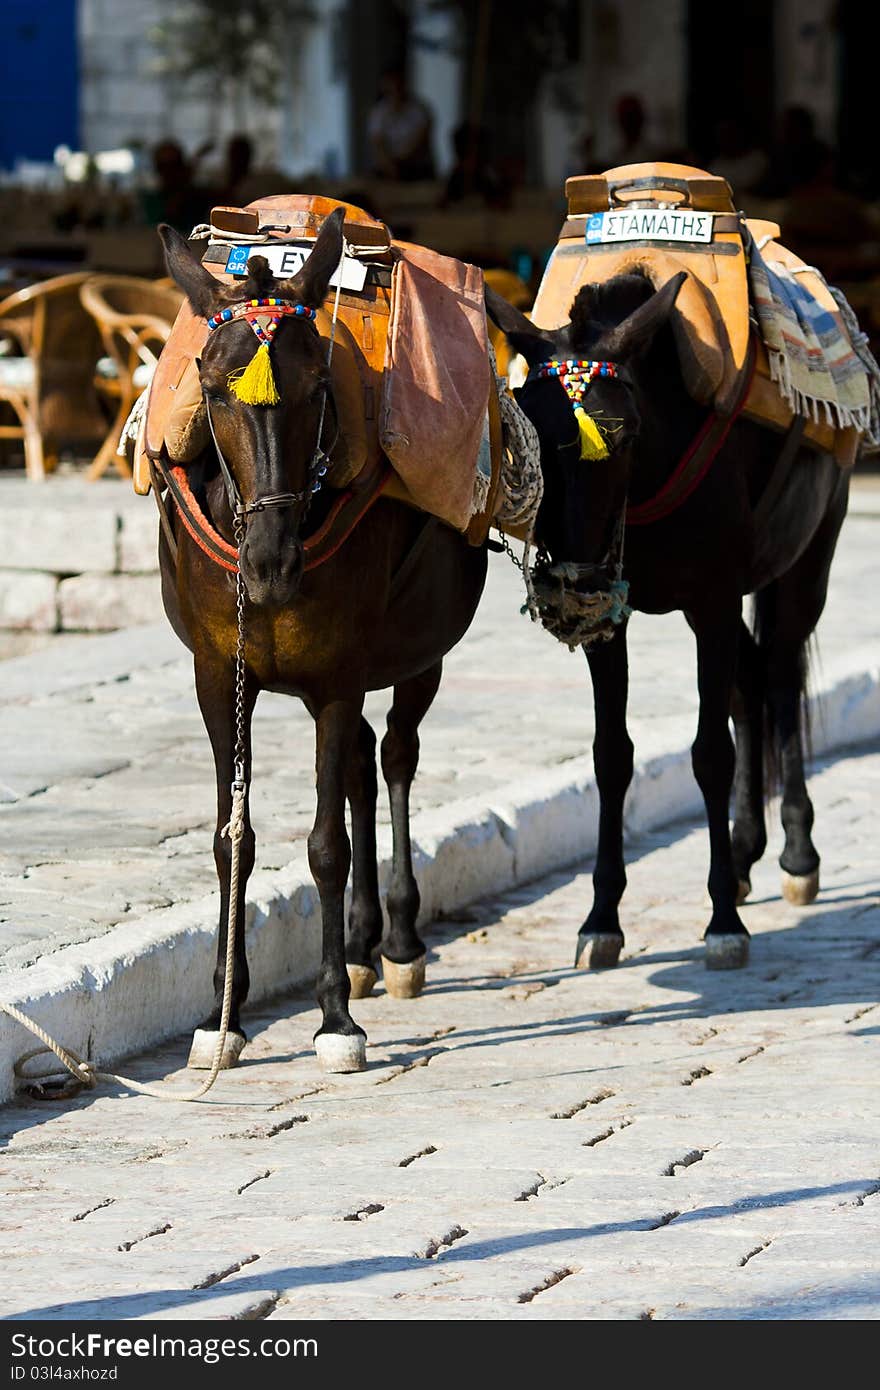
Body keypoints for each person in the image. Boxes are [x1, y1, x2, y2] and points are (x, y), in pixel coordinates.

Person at [367, 68, 436, 181]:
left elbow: (419, 143)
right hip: (388, 169)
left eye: (397, 84)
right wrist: (389, 166)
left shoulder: (420, 110)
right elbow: (377, 144)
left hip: (417, 169)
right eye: (390, 84)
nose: (394, 88)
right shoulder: (378, 112)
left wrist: (399, 165)